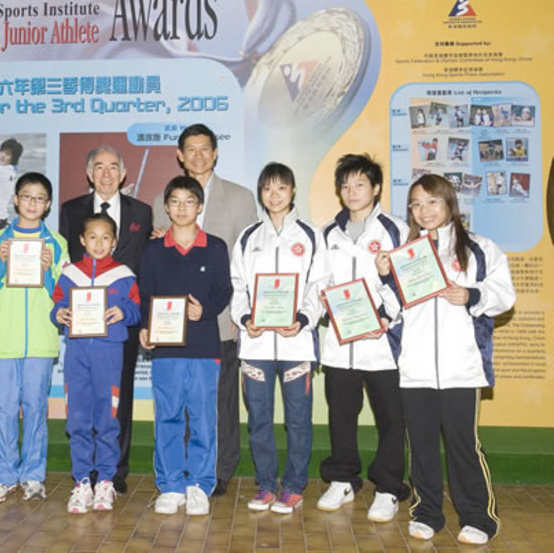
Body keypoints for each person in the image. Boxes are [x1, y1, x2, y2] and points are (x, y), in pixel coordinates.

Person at [376, 174, 515, 545]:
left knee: (463, 445)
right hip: (416, 368)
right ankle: (426, 512)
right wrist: (386, 280)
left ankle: (478, 518)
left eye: (432, 202)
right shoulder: (405, 255)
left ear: (449, 203)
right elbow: (395, 310)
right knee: (420, 445)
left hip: (460, 367)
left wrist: (470, 295)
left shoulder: (479, 249)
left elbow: (504, 295)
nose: (425, 210)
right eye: (417, 204)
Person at [152, 123, 258, 496]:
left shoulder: (242, 197)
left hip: (221, 318)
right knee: (176, 405)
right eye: (190, 149)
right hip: (173, 329)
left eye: (204, 148)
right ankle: (178, 474)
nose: (197, 155)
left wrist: (241, 310)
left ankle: (218, 473)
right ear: (180, 155)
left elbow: (249, 259)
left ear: (215, 152)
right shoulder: (161, 200)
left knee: (220, 402)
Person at [229, 163, 328, 514]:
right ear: (260, 193)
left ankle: (295, 486)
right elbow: (238, 288)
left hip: (296, 343)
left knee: (297, 419)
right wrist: (244, 319)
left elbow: (319, 287)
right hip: (255, 344)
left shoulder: (311, 236)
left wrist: (302, 319)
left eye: (281, 188)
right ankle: (267, 484)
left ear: (293, 191)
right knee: (258, 418)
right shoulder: (248, 237)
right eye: (268, 188)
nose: (275, 195)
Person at [316, 154, 410, 521]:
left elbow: (407, 283)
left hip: (383, 344)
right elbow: (319, 283)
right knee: (341, 416)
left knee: (391, 417)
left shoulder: (395, 229)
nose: (351, 192)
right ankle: (342, 479)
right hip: (340, 345)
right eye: (345, 185)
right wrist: (325, 308)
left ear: (375, 188)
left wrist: (386, 315)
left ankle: (388, 487)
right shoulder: (328, 233)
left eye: (359, 184)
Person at [59, 146, 152, 493]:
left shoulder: (142, 211)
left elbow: (147, 264)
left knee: (118, 395)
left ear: (124, 172)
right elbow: (65, 264)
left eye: (114, 167)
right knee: (84, 400)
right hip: (82, 331)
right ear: (89, 172)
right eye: (99, 167)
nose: (107, 174)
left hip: (120, 325)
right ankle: (85, 474)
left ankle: (115, 472)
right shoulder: (71, 211)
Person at [141, 176, 233, 515]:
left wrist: (204, 310)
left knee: (203, 419)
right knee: (168, 417)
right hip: (165, 349)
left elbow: (224, 291)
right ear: (166, 207)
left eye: (189, 201)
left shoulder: (216, 246)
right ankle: (170, 485)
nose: (182, 208)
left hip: (204, 346)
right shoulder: (152, 249)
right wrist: (145, 327)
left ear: (200, 206)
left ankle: (200, 484)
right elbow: (145, 293)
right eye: (175, 201)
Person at [0, 172, 69, 503]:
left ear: (47, 205)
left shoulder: (57, 243)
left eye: (40, 198)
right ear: (16, 199)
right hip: (3, 338)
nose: (32, 203)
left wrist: (49, 269)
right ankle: (1, 476)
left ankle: (33, 475)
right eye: (26, 196)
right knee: (3, 408)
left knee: (35, 407)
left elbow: (64, 294)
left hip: (41, 340)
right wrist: (1, 264)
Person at [51, 214, 141, 513]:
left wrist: (123, 313)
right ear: (82, 240)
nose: (99, 243)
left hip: (109, 354)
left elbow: (136, 310)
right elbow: (58, 305)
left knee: (107, 419)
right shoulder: (70, 274)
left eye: (106, 238)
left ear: (114, 242)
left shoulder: (124, 274)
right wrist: (59, 315)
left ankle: (105, 480)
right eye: (93, 237)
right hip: (77, 355)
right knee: (78, 419)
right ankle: (81, 482)